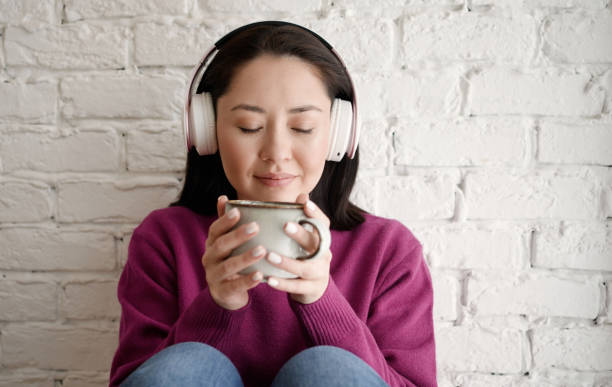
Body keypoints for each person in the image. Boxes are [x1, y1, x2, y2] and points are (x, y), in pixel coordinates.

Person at [109, 21, 436, 387]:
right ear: (207, 131)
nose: (276, 153)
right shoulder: (164, 238)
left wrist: (322, 301)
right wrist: (217, 305)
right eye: (249, 127)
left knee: (329, 369)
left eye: (302, 128)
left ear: (339, 135)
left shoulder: (388, 250)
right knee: (184, 366)